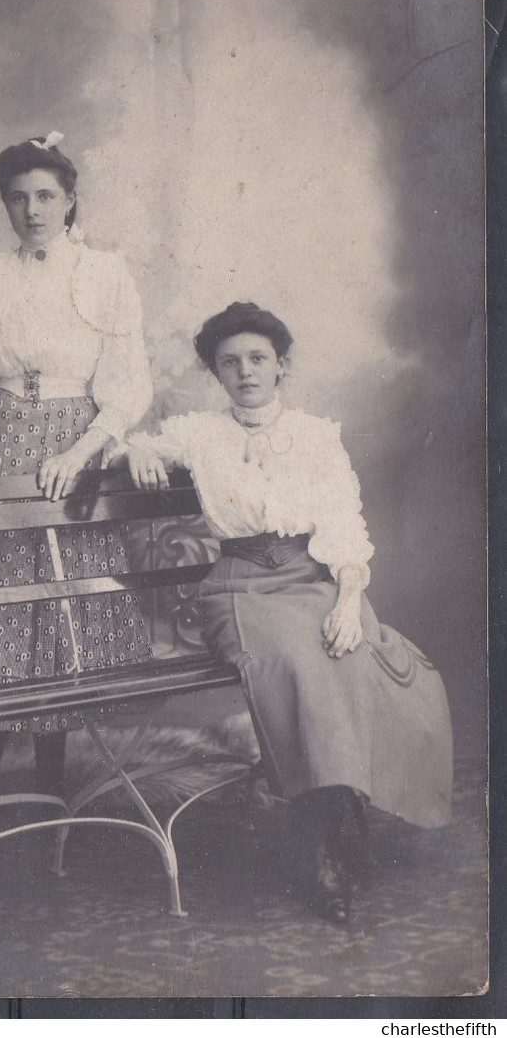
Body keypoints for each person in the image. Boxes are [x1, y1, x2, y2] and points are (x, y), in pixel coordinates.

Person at [125, 301, 452, 924]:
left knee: (358, 656)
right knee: (302, 667)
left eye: (257, 359)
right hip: (240, 586)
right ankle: (329, 850)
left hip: (313, 576)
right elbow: (139, 443)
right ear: (216, 374)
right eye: (230, 363)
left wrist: (350, 598)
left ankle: (338, 817)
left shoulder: (316, 436)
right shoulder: (199, 432)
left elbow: (342, 521)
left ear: (281, 366)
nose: (245, 372)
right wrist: (141, 448)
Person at [0, 132, 154, 796]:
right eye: (18, 199)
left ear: (70, 199)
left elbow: (127, 389)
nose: (33, 210)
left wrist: (77, 453)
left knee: (56, 607)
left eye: (46, 196)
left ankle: (51, 787)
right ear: (4, 206)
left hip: (76, 445)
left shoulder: (105, 273)